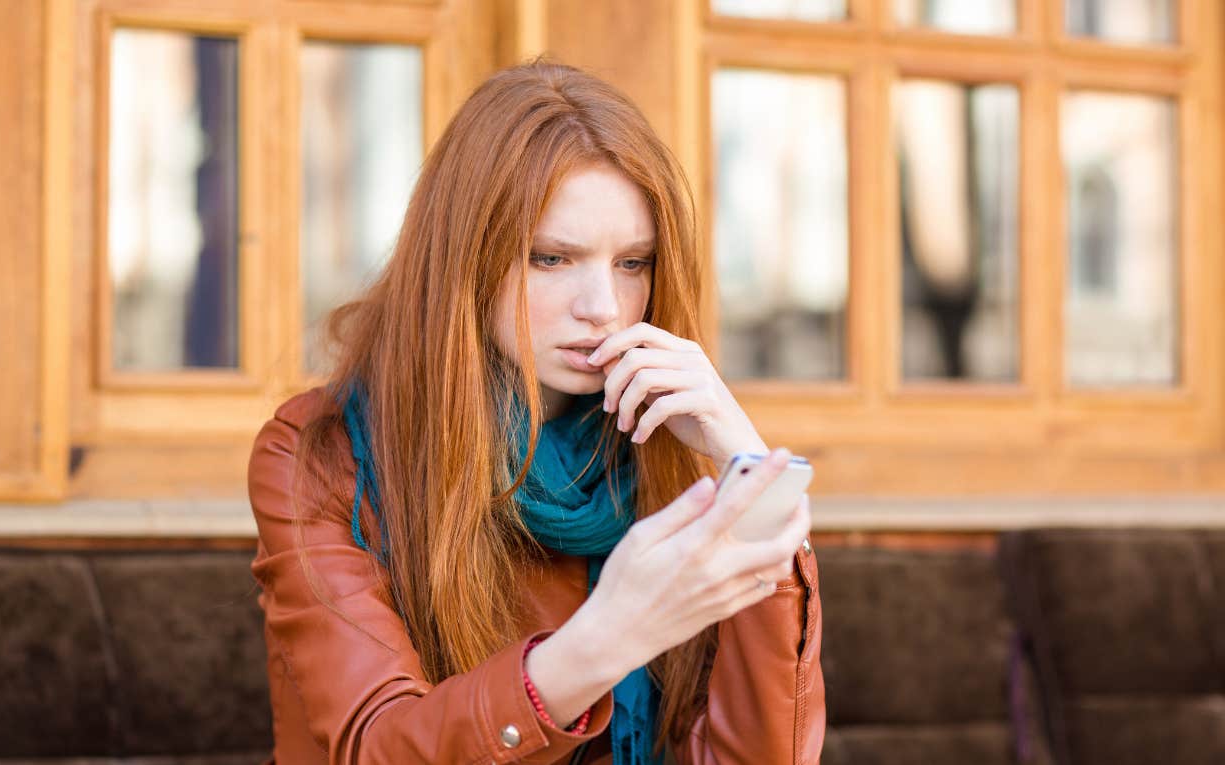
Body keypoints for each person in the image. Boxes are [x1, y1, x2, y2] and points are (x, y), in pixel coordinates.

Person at [247, 57, 825, 765]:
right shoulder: (320, 454)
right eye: (552, 258)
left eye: (633, 263)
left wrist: (753, 478)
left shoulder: (663, 446)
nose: (603, 307)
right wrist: (606, 636)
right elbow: (376, 748)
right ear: (468, 258)